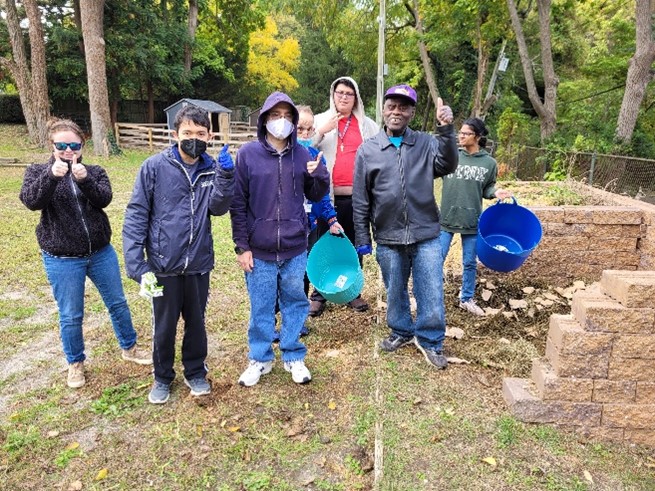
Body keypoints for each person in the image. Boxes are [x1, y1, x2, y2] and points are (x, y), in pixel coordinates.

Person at [19, 118, 152, 389]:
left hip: (100, 252)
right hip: (62, 258)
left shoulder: (94, 170)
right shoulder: (37, 171)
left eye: (74, 145)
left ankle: (130, 347)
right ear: (52, 145)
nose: (68, 150)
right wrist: (51, 177)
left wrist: (86, 180)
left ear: (82, 145)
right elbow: (32, 201)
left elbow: (105, 198)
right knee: (71, 314)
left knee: (117, 303)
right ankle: (75, 363)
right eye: (62, 145)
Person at [122, 106, 235, 404]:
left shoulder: (212, 169)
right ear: (175, 135)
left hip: (198, 264)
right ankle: (162, 376)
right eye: (187, 133)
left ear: (209, 136)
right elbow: (136, 215)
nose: (194, 139)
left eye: (200, 134)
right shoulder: (154, 167)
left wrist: (225, 176)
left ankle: (195, 371)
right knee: (164, 325)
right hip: (162, 266)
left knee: (196, 322)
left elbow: (218, 208)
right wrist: (138, 265)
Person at [352, 85, 458, 369]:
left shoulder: (425, 143)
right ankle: (401, 331)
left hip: (426, 234)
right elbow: (361, 199)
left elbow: (446, 165)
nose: (396, 112)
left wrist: (446, 130)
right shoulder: (368, 150)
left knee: (431, 289)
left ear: (411, 112)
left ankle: (431, 339)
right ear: (383, 110)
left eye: (403, 107)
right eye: (391, 106)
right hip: (388, 236)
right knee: (395, 289)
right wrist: (363, 236)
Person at [231, 92, 330, 387]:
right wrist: (242, 246)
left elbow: (315, 194)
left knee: (295, 301)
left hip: (295, 246)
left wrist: (320, 176)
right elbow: (238, 204)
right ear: (264, 119)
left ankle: (293, 354)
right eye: (276, 116)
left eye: (288, 116)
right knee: (261, 305)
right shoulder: (247, 154)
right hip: (258, 249)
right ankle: (260, 358)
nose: (282, 122)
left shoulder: (304, 154)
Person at [272, 105, 344, 341]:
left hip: (307, 226)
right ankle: (270, 320)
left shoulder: (315, 156)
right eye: (299, 129)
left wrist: (331, 219)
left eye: (308, 129)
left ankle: (297, 320)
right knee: (275, 276)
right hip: (279, 229)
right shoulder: (277, 156)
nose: (303, 134)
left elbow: (322, 195)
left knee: (301, 274)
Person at [311, 77, 379, 316]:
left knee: (353, 244)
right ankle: (319, 294)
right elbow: (301, 147)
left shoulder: (367, 125)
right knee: (322, 244)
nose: (344, 97)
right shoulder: (319, 120)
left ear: (356, 97)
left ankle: (352, 291)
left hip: (356, 196)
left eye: (349, 93)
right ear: (333, 94)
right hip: (324, 196)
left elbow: (378, 155)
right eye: (340, 92)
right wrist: (320, 132)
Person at [440, 117, 512, 316]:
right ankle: (430, 295)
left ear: (477, 137)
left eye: (465, 133)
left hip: (472, 221)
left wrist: (495, 193)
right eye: (460, 133)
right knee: (436, 259)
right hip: (446, 217)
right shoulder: (451, 156)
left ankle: (466, 298)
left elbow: (487, 187)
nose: (461, 136)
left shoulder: (489, 163)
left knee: (470, 262)